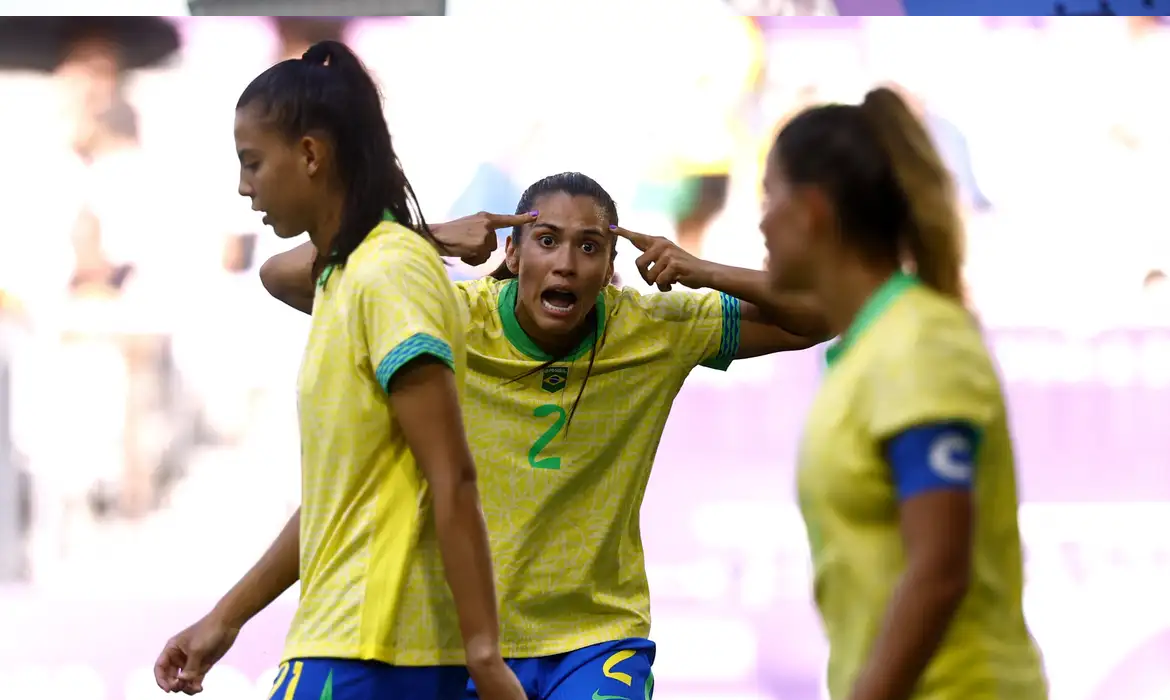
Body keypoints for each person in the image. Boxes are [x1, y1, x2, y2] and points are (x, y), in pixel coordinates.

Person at [260, 170, 829, 699]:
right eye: (547, 240)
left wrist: (703, 270)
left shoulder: (655, 328)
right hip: (458, 642)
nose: (566, 264)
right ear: (512, 251)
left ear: (609, 269)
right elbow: (281, 276)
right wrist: (424, 239)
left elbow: (823, 312)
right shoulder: (450, 314)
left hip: (594, 639)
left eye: (588, 247)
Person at [153, 41, 524, 700]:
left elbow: (452, 475)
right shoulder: (347, 276)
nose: (244, 187)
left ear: (311, 155)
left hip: (372, 650)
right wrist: (225, 618)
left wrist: (485, 658)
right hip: (352, 643)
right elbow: (339, 503)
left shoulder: (388, 272)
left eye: (252, 163)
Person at [760, 87, 1048, 700]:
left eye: (770, 196)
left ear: (810, 210)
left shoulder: (919, 342)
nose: (760, 220)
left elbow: (940, 569)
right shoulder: (867, 348)